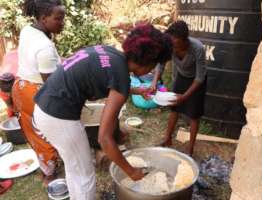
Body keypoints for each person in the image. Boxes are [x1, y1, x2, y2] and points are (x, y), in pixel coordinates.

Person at [32, 24, 172, 200]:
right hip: (58, 117)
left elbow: (110, 82)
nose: (152, 71)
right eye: (153, 66)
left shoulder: (110, 53)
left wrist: (137, 91)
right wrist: (131, 171)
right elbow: (104, 139)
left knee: (75, 166)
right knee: (85, 176)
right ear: (146, 61)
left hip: (44, 106)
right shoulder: (121, 75)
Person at [11, 0, 65, 182]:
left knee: (35, 134)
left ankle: (47, 166)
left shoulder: (29, 30)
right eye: (58, 19)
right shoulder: (45, 47)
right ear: (44, 18)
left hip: (20, 88)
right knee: (46, 135)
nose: (62, 23)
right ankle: (50, 176)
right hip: (36, 94)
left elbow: (37, 61)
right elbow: (52, 86)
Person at [151, 20, 207, 156]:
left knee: (194, 115)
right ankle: (167, 139)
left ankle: (190, 148)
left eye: (175, 42)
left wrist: (185, 97)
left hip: (196, 82)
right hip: (181, 77)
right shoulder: (169, 45)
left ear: (184, 39)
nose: (172, 46)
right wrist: (154, 82)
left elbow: (200, 77)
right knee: (174, 109)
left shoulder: (197, 48)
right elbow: (161, 64)